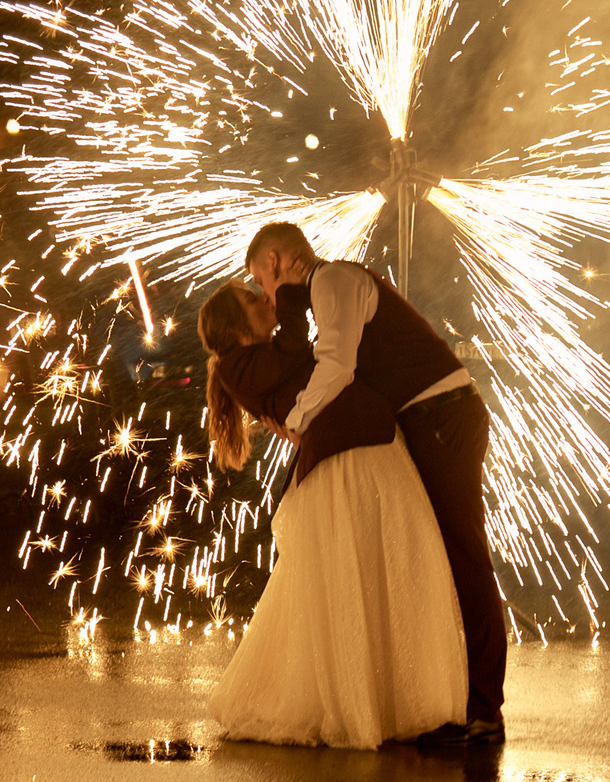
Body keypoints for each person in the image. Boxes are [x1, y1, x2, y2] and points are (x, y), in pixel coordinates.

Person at [244, 222, 507, 744]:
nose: (266, 298)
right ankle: (462, 706)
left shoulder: (333, 281)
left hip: (441, 415)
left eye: (260, 281)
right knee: (441, 557)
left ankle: (483, 711)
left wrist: (296, 419)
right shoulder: (327, 290)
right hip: (433, 416)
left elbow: (336, 365)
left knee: (462, 555)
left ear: (274, 261)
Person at [198, 277, 465, 748]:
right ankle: (356, 702)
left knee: (383, 575)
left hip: (366, 448)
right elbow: (295, 354)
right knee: (352, 580)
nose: (263, 299)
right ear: (232, 325)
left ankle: (385, 699)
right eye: (250, 298)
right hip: (344, 463)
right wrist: (292, 301)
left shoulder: (256, 362)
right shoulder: (237, 365)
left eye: (259, 292)